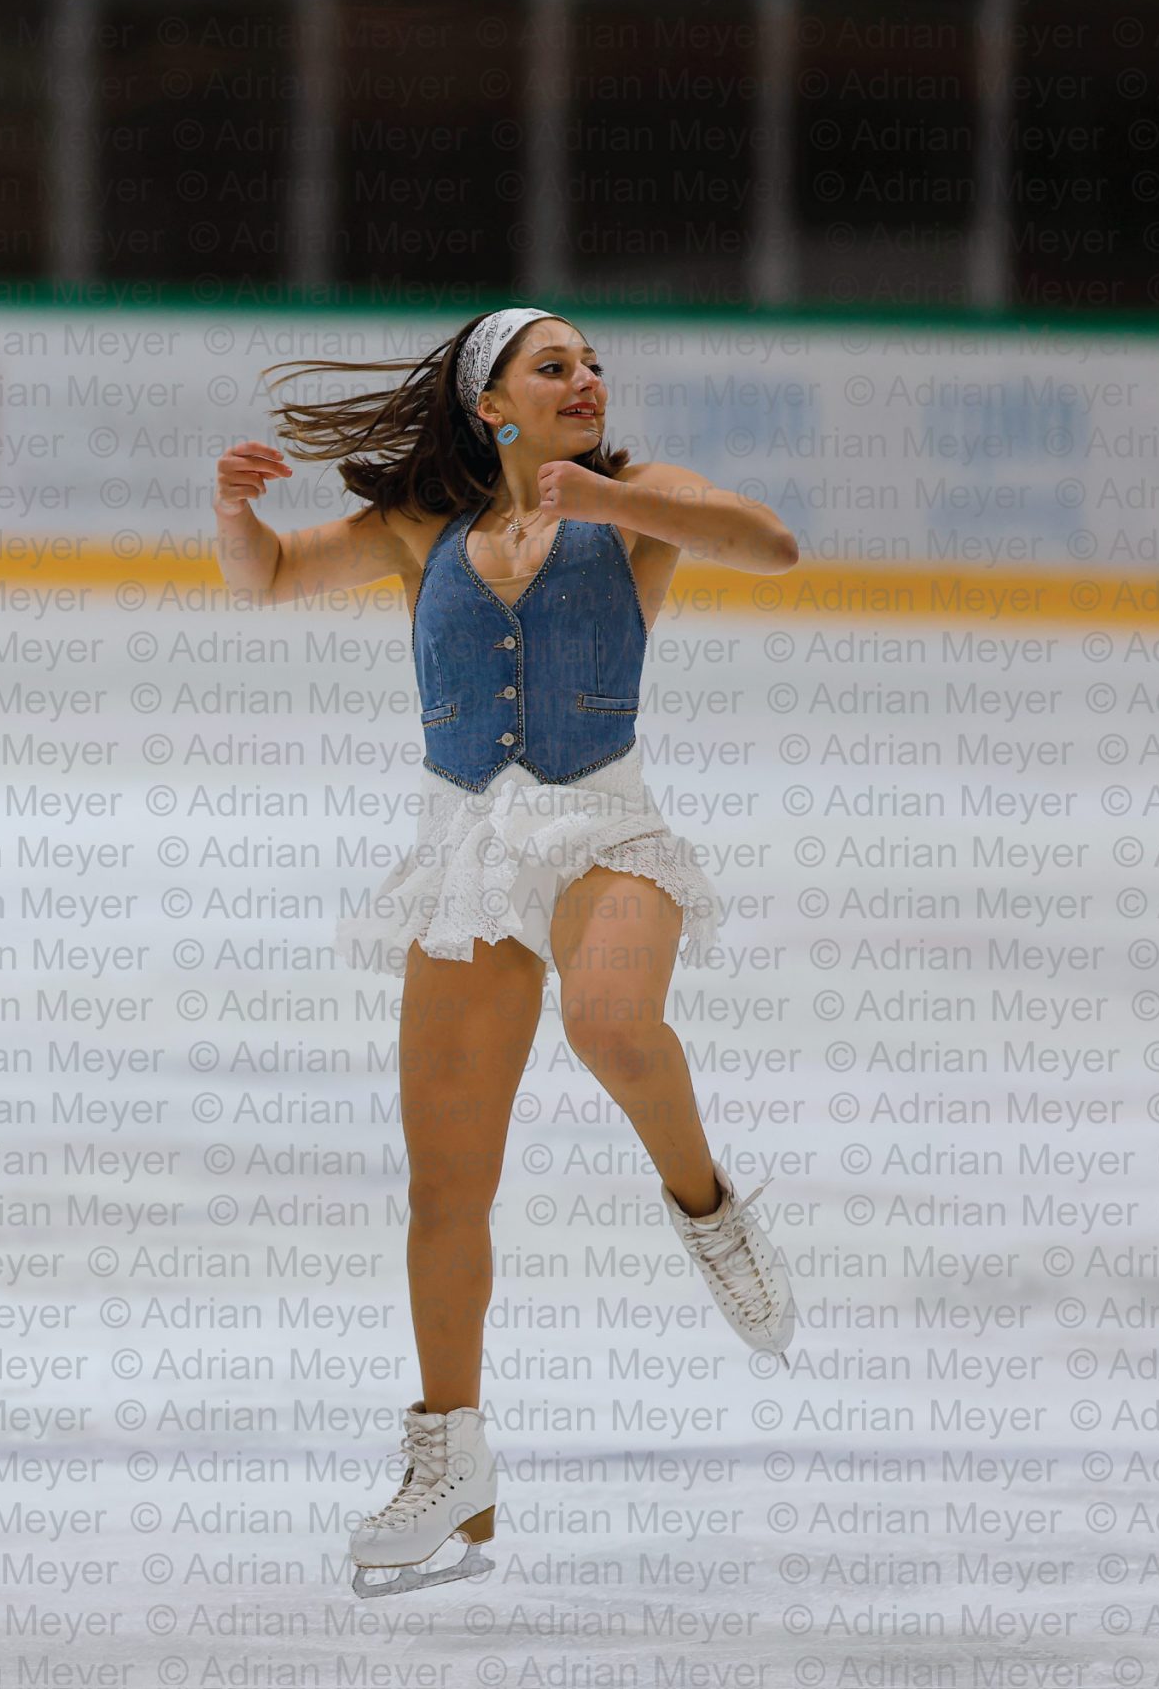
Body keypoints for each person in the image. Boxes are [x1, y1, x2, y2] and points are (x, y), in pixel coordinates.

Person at [210, 307, 800, 1596]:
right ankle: (451, 1457)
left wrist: (615, 503)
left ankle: (708, 1211)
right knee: (444, 1187)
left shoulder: (640, 497)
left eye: (593, 365)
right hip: (469, 848)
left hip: (603, 827)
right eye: (556, 367)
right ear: (493, 405)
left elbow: (772, 545)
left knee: (610, 1020)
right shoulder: (417, 529)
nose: (587, 380)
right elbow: (260, 578)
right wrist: (235, 511)